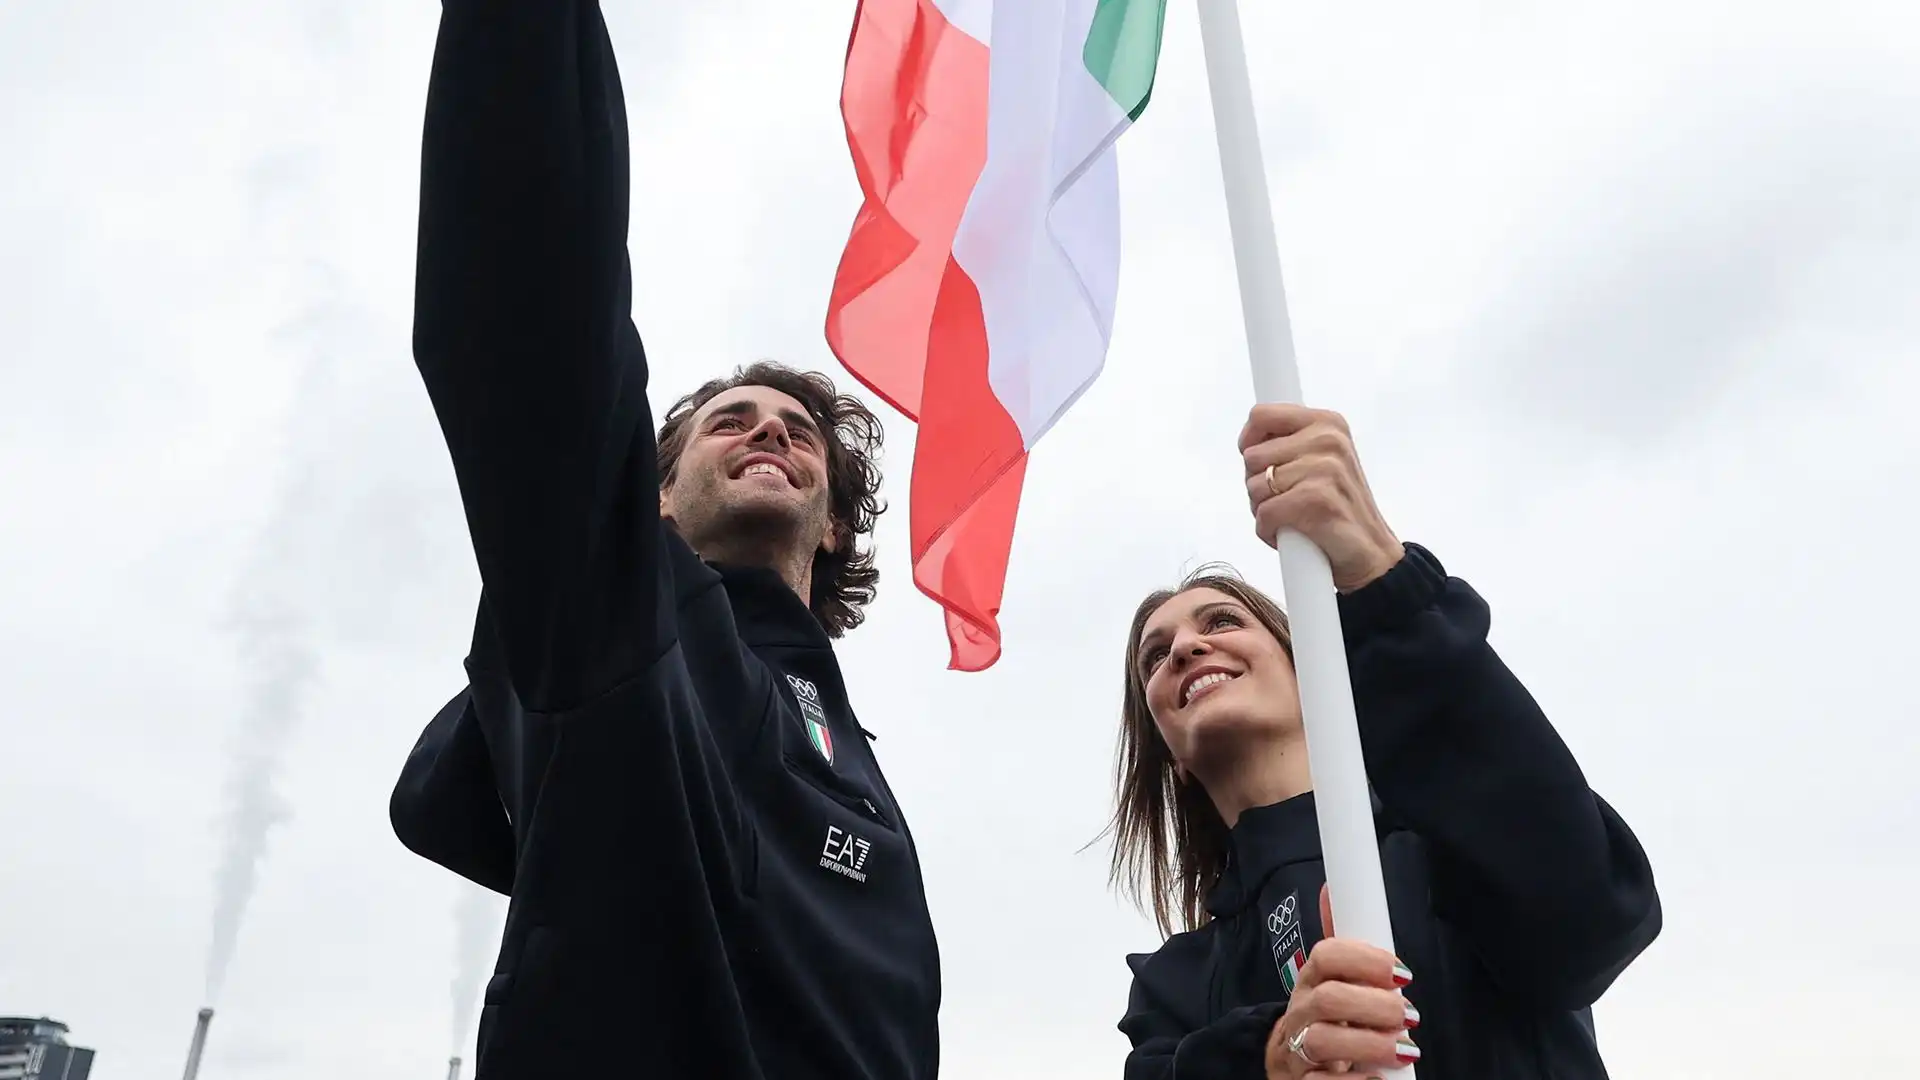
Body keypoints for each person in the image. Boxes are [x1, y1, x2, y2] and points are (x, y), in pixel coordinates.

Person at [384, 5, 939, 1079]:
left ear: (835, 524)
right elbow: (536, 314)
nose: (770, 427)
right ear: (657, 501)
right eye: (728, 421)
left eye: (799, 430)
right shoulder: (640, 635)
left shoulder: (851, 752)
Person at [1107, 404, 1661, 1078]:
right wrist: (1273, 1060)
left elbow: (1593, 918)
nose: (1187, 649)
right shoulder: (1175, 989)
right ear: (1171, 756)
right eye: (1154, 658)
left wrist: (1377, 571)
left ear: (1309, 665)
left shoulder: (1450, 840)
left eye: (1222, 622)